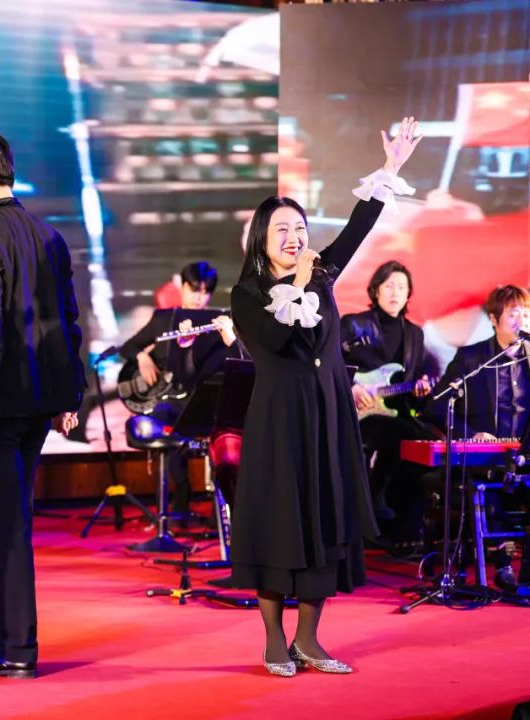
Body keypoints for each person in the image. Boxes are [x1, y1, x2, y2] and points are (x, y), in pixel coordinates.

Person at [229, 117, 421, 677]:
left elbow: (359, 225)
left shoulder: (321, 277)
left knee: (325, 521)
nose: (294, 238)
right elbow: (275, 337)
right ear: (262, 240)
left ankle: (309, 640)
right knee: (279, 522)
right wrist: (298, 283)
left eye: (300, 228)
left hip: (329, 417)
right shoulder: (248, 294)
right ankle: (274, 640)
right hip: (278, 422)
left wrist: (389, 168)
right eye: (282, 230)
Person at [0, 132, 85, 679]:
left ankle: (19, 650)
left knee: (7, 531)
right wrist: (70, 395)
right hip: (39, 403)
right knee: (14, 518)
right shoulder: (49, 234)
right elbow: (68, 321)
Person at [429, 285, 530, 590]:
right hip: (487, 457)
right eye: (513, 314)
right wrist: (472, 435)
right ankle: (501, 563)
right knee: (487, 485)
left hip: (524, 454)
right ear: (494, 319)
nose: (521, 321)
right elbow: (437, 404)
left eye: (526, 314)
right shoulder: (472, 358)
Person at [118, 261, 237, 516]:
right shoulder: (164, 318)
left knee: (221, 431)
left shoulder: (218, 323)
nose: (199, 297)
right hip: (171, 399)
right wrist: (142, 356)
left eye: (205, 291)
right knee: (162, 423)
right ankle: (179, 503)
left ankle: (218, 512)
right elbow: (127, 347)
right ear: (182, 287)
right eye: (194, 289)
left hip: (201, 398)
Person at [341, 261, 436, 526]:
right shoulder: (353, 324)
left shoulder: (415, 334)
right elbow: (330, 364)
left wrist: (420, 390)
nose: (395, 293)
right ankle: (374, 500)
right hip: (358, 413)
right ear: (376, 290)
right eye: (389, 286)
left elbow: (412, 386)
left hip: (396, 411)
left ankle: (402, 519)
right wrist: (352, 387)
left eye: (402, 287)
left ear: (408, 294)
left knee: (430, 443)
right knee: (399, 435)